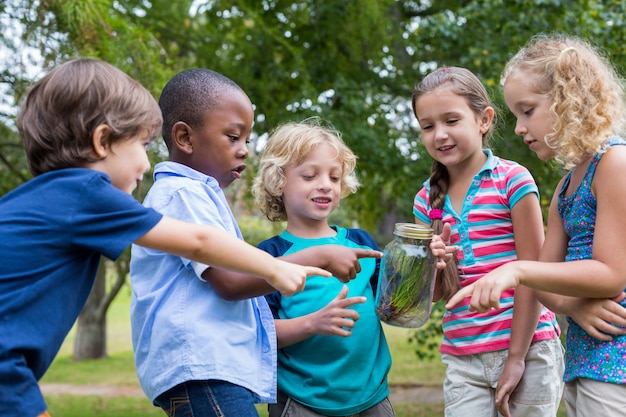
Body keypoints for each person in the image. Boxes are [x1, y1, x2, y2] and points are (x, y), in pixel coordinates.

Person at [0, 59, 332, 417]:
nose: (146, 165)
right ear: (102, 142)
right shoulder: (84, 193)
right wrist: (273, 268)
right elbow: (198, 242)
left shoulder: (50, 201)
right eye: (142, 144)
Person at [129, 71, 382, 417]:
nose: (244, 151)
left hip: (215, 369)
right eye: (233, 137)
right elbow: (229, 282)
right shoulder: (182, 193)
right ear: (185, 137)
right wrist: (316, 257)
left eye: (246, 140)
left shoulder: (200, 196)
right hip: (203, 368)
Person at [446, 33, 626, 417]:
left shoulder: (615, 165)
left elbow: (610, 274)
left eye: (527, 111)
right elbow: (546, 285)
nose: (518, 129)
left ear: (567, 100)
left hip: (617, 356)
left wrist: (515, 269)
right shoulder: (564, 189)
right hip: (585, 356)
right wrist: (576, 307)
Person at [411, 66, 564, 417]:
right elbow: (432, 296)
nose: (440, 135)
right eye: (428, 126)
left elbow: (534, 275)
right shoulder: (425, 200)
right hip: (463, 355)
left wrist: (516, 357)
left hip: (530, 346)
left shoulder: (512, 181)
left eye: (451, 120)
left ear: (483, 120)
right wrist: (432, 267)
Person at [252, 118, 394, 417]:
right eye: (310, 175)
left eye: (334, 177)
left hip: (372, 397)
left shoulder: (360, 242)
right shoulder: (270, 255)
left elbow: (396, 305)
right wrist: (313, 323)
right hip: (301, 401)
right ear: (279, 181)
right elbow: (258, 333)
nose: (325, 185)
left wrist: (425, 260)